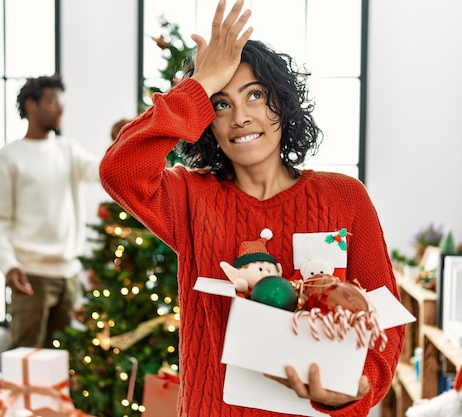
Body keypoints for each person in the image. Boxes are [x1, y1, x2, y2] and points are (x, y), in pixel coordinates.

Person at [99, 0, 404, 416]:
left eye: (255, 96)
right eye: (221, 103)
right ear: (208, 119)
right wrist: (199, 84)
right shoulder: (190, 197)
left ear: (282, 104)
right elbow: (120, 170)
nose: (240, 117)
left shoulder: (345, 197)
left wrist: (357, 389)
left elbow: (386, 315)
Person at [0, 74, 100, 349]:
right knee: (24, 361)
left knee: (61, 364)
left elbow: (102, 172)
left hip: (69, 277)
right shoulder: (7, 158)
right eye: (51, 102)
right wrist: (9, 265)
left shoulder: (69, 151)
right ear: (30, 105)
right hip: (29, 277)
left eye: (60, 102)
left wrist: (125, 140)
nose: (60, 109)